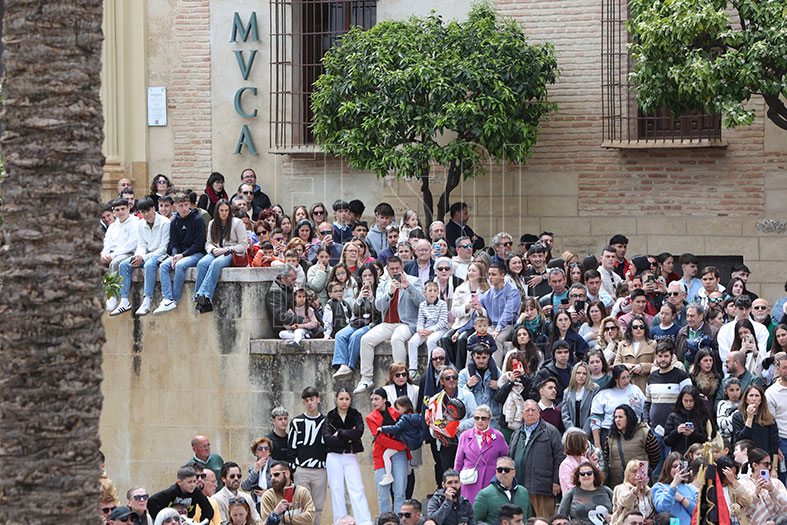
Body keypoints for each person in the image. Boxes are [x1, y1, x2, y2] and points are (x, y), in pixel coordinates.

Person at [355, 256, 425, 394]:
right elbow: (379, 306)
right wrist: (389, 293)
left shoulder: (414, 281)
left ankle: (400, 376)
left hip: (406, 323)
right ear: (387, 269)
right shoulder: (384, 284)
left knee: (396, 338)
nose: (395, 271)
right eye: (392, 269)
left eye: (397, 268)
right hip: (387, 323)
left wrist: (408, 287)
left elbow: (422, 302)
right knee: (366, 339)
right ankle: (366, 378)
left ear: (402, 267)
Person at [111, 196, 170, 316]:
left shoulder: (165, 222)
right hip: (146, 254)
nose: (146, 214)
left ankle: (147, 301)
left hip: (162, 255)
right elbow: (141, 244)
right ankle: (124, 301)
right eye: (143, 212)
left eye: (148, 210)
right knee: (123, 265)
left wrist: (143, 258)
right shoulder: (140, 224)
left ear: (153, 208)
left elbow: (163, 248)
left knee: (149, 265)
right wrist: (138, 256)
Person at [322, 388, 372, 525]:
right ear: (336, 399)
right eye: (341, 399)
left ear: (350, 400)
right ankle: (339, 520)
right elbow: (327, 438)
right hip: (333, 456)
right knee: (336, 488)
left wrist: (339, 433)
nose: (344, 401)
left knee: (357, 487)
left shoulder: (355, 414)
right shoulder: (330, 416)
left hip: (350, 455)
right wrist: (348, 437)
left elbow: (359, 432)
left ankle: (364, 521)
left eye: (347, 399)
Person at [510, 399, 566, 518]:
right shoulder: (516, 433)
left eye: (533, 410)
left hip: (542, 487)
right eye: (527, 410)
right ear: (522, 413)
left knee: (544, 520)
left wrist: (556, 481)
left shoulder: (551, 431)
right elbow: (511, 457)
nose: (530, 413)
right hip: (520, 487)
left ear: (539, 412)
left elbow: (559, 457)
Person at [152, 192, 206, 314]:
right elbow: (174, 243)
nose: (184, 208)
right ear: (175, 206)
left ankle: (174, 299)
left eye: (186, 204)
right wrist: (176, 255)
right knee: (164, 266)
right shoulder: (174, 222)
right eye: (181, 205)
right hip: (180, 254)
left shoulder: (198, 220)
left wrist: (181, 255)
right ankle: (167, 299)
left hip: (196, 253)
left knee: (180, 266)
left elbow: (199, 244)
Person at [644, 340, 692, 476]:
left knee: (676, 466)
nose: (663, 359)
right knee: (657, 468)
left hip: (675, 431)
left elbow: (689, 400)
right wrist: (646, 422)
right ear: (655, 357)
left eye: (666, 356)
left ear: (672, 356)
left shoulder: (681, 376)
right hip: (655, 430)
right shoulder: (651, 377)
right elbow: (647, 403)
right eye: (660, 356)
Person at [192, 199, 248, 313]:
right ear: (217, 211)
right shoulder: (212, 223)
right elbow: (208, 243)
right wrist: (213, 249)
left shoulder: (237, 223)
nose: (224, 213)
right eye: (221, 210)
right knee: (202, 263)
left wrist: (226, 249)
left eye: (226, 210)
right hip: (216, 251)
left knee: (216, 264)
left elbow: (243, 245)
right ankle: (200, 298)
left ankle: (204, 295)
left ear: (230, 211)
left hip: (231, 252)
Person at [287, 386, 327, 525]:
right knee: (300, 506)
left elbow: (329, 445)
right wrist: (294, 469)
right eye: (307, 400)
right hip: (301, 469)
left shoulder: (326, 422)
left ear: (318, 400)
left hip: (320, 470)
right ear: (303, 402)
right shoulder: (296, 422)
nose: (310, 403)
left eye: (312, 399)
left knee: (318, 506)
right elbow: (291, 447)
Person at [453, 404, 509, 503]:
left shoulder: (498, 436)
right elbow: (458, 462)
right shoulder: (465, 436)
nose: (480, 421)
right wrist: (455, 482)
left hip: (490, 482)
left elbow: (506, 459)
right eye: (477, 418)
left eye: (483, 418)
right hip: (469, 482)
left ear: (489, 420)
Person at [367, 388, 409, 513]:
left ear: (384, 399)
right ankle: (385, 520)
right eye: (372, 399)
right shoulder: (370, 417)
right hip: (381, 454)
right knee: (382, 493)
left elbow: (406, 429)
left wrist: (402, 446)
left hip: (398, 454)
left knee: (400, 492)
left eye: (376, 399)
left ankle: (400, 520)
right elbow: (379, 438)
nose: (374, 402)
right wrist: (400, 446)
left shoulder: (396, 412)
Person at [590, 365, 646, 449]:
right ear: (616, 379)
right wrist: (597, 444)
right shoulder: (604, 394)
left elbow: (645, 410)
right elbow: (595, 420)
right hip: (610, 433)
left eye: (628, 377)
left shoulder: (636, 390)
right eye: (623, 378)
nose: (627, 380)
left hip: (633, 431)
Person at [604, 404, 660, 487]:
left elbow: (655, 456)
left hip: (640, 483)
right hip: (617, 484)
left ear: (629, 417)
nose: (617, 420)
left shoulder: (644, 433)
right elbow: (607, 458)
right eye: (615, 417)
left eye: (620, 417)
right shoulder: (610, 437)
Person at [481, 263, 522, 363]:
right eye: (489, 274)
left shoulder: (512, 291)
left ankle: (496, 370)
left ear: (502, 275)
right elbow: (482, 314)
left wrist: (498, 329)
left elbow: (508, 313)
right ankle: (469, 370)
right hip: (491, 326)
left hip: (508, 325)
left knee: (496, 339)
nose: (490, 277)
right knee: (472, 338)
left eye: (494, 274)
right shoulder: (486, 295)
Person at [408, 281, 450, 377]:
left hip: (439, 329)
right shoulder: (422, 305)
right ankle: (413, 369)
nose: (432, 293)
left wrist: (431, 331)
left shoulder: (442, 304)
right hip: (426, 329)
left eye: (435, 291)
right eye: (430, 290)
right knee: (412, 342)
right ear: (425, 292)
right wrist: (420, 330)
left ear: (438, 292)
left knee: (431, 341)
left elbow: (443, 321)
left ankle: (430, 368)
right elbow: (420, 321)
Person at [731, 384, 779, 466]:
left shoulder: (769, 419)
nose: (754, 399)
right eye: (751, 395)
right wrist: (750, 418)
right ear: (746, 399)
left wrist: (774, 467)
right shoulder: (738, 416)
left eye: (757, 396)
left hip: (764, 460)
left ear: (761, 399)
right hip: (745, 460)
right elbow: (740, 440)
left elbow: (774, 444)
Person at [474, 456, 531, 524]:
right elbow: (474, 521)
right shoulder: (484, 494)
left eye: (507, 470)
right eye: (500, 470)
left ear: (514, 473)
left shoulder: (523, 492)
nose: (503, 472)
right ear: (496, 472)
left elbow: (528, 519)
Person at [663, 385, 714, 457]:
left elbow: (709, 438)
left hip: (698, 456)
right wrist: (677, 431)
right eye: (686, 401)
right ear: (681, 400)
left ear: (696, 400)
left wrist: (693, 434)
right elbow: (667, 441)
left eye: (691, 401)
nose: (688, 404)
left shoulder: (703, 416)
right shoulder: (673, 416)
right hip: (678, 456)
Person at [148, 466, 214, 520]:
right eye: (189, 482)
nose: (193, 485)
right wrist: (161, 520)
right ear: (179, 482)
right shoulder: (172, 491)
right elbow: (152, 501)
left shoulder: (196, 492)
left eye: (194, 481)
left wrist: (201, 523)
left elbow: (209, 510)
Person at [259, 460, 315, 525]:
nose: (272, 478)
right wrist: (300, 519)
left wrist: (280, 517)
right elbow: (267, 523)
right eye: (271, 476)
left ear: (287, 474)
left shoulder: (302, 492)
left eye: (276, 474)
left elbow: (310, 519)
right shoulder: (268, 496)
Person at [613, 315, 658, 392]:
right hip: (626, 384)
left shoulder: (653, 344)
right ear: (630, 329)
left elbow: (657, 365)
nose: (638, 329)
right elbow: (616, 365)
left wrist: (642, 367)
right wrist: (630, 367)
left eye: (641, 327)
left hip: (645, 383)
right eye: (635, 327)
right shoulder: (622, 344)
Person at [742, 447, 787, 523]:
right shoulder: (743, 484)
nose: (769, 467)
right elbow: (743, 512)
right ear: (755, 465)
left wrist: (772, 490)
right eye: (766, 464)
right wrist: (756, 494)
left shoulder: (776, 483)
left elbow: (785, 509)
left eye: (770, 464)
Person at [651, 452, 697, 525]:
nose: (678, 469)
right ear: (668, 468)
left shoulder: (691, 489)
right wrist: (673, 487)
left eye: (680, 466)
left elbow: (697, 513)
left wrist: (682, 499)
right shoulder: (659, 487)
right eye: (675, 466)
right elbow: (662, 509)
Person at [558, 428, 602, 495]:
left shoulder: (585, 460)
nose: (587, 446)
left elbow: (598, 481)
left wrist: (593, 465)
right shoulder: (566, 465)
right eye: (585, 443)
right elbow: (573, 487)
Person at [611, 460, 654, 525]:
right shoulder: (621, 488)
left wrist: (652, 520)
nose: (638, 474)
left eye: (641, 471)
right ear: (627, 474)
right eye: (634, 471)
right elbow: (624, 501)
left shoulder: (648, 491)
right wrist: (636, 489)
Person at [561, 361, 598, 434]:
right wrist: (573, 431)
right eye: (578, 373)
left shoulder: (594, 389)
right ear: (574, 374)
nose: (581, 376)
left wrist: (584, 433)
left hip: (589, 433)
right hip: (572, 434)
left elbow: (594, 413)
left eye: (584, 373)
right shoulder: (567, 392)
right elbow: (565, 415)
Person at [241, 436, 273, 513]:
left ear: (269, 451)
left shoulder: (275, 466)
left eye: (266, 448)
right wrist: (255, 471)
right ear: (255, 452)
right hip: (257, 506)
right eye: (260, 449)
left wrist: (267, 493)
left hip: (272, 504)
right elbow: (245, 487)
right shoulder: (252, 468)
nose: (263, 451)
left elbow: (281, 487)